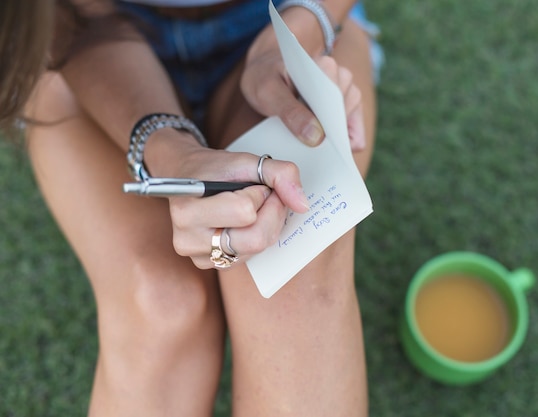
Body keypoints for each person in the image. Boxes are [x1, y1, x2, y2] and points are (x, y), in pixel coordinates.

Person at [1, 0, 380, 415]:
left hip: (291, 15)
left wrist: (292, 35)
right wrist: (168, 150)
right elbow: (70, 20)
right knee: (162, 301)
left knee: (295, 277)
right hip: (80, 43)